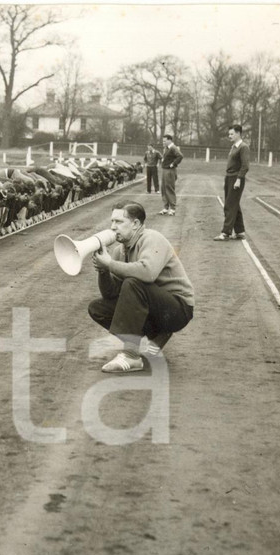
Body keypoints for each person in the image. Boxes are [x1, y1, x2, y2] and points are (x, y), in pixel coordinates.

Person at [88, 201, 195, 373]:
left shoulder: (152, 238)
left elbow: (147, 273)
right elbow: (110, 294)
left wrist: (110, 264)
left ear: (136, 224)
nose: (113, 227)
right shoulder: (119, 251)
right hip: (152, 307)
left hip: (177, 309)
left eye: (119, 222)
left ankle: (131, 355)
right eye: (112, 222)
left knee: (132, 282)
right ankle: (157, 333)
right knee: (97, 308)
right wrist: (103, 271)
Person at [213, 124, 250, 241]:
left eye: (232, 134)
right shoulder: (234, 147)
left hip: (236, 178)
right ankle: (240, 231)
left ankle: (226, 233)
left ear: (238, 133)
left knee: (229, 205)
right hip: (229, 177)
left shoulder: (243, 147)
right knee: (234, 204)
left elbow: (245, 166)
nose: (229, 136)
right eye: (229, 134)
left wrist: (238, 179)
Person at [159, 135, 183, 215]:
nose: (163, 142)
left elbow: (180, 156)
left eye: (165, 141)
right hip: (164, 170)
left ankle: (172, 208)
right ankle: (165, 207)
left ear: (170, 140)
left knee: (169, 188)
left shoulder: (173, 147)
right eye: (163, 141)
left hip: (170, 171)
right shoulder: (166, 148)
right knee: (163, 189)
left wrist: (173, 164)